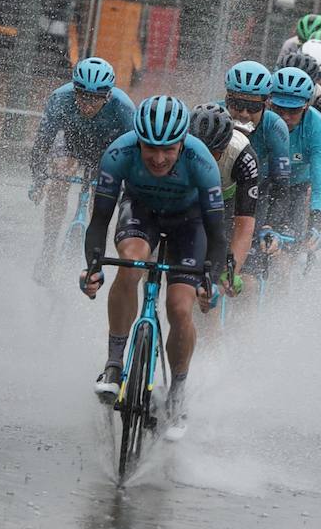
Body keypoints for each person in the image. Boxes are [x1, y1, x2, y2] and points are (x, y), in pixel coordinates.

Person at [80, 96, 230, 441]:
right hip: (141, 212)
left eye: (168, 150)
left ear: (181, 143)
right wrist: (93, 267)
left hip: (188, 224)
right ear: (138, 141)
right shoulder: (119, 153)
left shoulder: (201, 161)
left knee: (179, 307)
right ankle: (114, 366)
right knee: (130, 265)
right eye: (150, 149)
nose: (159, 158)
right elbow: (100, 220)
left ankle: (177, 393)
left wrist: (211, 278)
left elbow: (216, 233)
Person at [29, 57, 136, 266]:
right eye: (82, 96)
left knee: (102, 198)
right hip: (72, 144)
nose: (87, 105)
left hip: (107, 151)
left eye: (94, 98)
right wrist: (39, 178)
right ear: (74, 90)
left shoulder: (123, 107)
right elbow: (42, 143)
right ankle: (49, 247)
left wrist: (127, 188)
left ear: (107, 95)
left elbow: (134, 153)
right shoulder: (60, 98)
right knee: (59, 176)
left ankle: (95, 253)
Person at [266, 68, 321, 267]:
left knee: (286, 258)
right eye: (279, 109)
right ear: (269, 103)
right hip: (260, 185)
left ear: (306, 106)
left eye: (294, 110)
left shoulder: (316, 126)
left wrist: (317, 222)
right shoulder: (261, 118)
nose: (286, 117)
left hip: (294, 188)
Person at [189, 103, 258, 297]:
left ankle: (214, 325)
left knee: (213, 280)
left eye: (212, 153)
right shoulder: (175, 146)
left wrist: (231, 271)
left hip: (224, 204)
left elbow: (244, 225)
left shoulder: (243, 155)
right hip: (188, 201)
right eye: (198, 150)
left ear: (225, 145)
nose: (204, 159)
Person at [222, 61, 290, 230]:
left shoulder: (275, 127)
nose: (244, 114)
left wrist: (270, 226)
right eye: (237, 105)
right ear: (226, 100)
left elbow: (281, 186)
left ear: (265, 105)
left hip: (257, 192)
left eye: (252, 107)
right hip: (218, 193)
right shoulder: (212, 116)